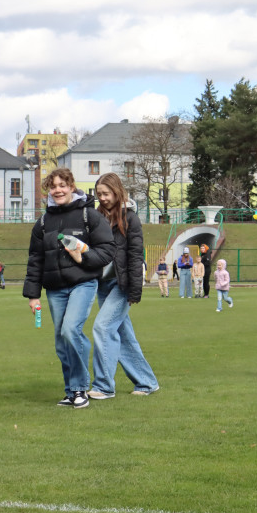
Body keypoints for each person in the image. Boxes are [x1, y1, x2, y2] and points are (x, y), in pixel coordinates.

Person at [23, 167, 115, 408]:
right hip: (55, 289)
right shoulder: (43, 222)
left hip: (83, 284)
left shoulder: (90, 216)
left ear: (71, 187)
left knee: (70, 331)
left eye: (62, 185)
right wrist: (33, 295)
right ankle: (71, 390)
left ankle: (80, 388)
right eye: (53, 186)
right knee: (61, 340)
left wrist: (82, 259)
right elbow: (35, 260)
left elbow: (107, 250)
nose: (57, 190)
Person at [88, 173, 159, 399]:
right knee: (123, 336)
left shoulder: (130, 218)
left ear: (117, 192)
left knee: (102, 328)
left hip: (122, 284)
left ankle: (103, 386)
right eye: (99, 194)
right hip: (103, 285)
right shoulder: (96, 217)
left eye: (106, 193)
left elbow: (135, 255)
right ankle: (146, 382)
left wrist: (134, 290)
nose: (103, 198)